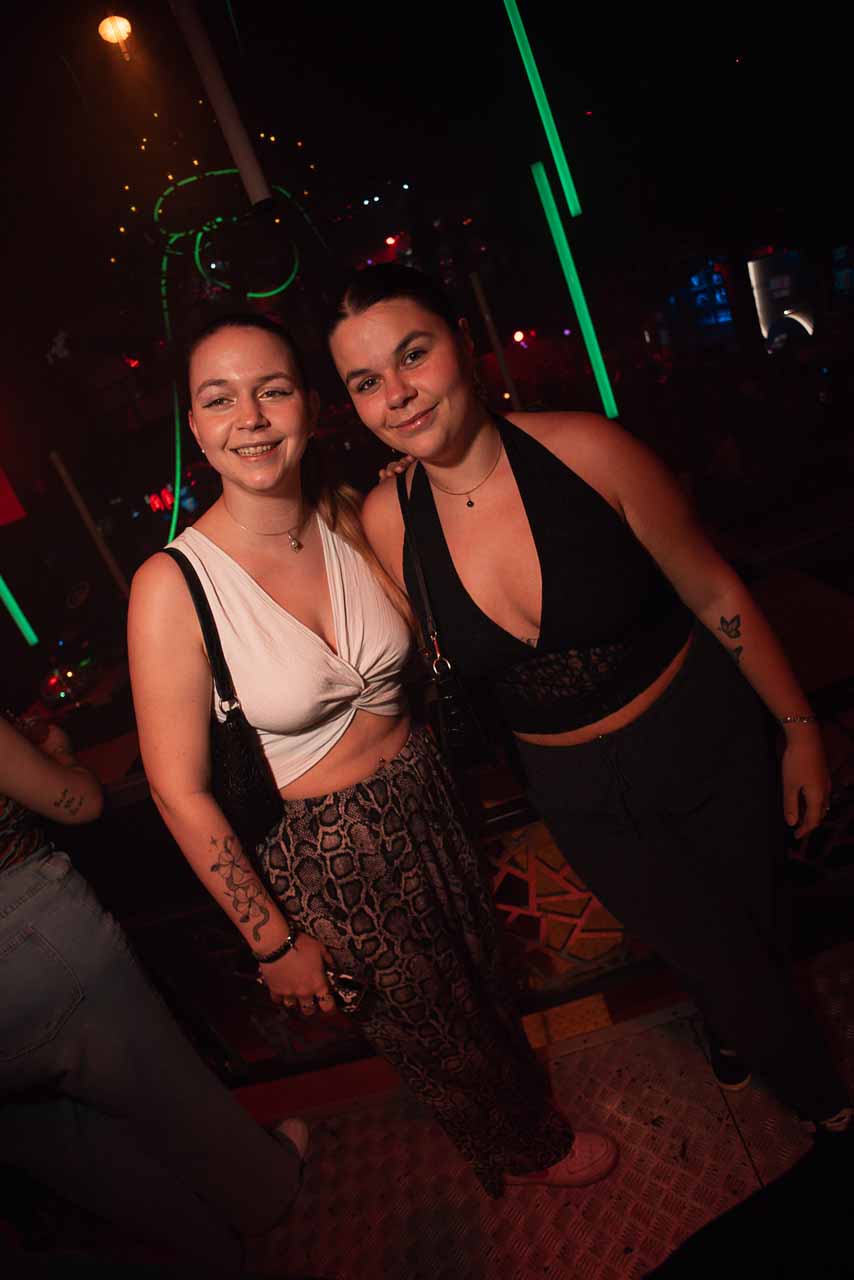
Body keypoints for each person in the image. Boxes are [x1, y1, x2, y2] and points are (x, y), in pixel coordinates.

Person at [327, 263, 852, 1143]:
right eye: (366, 381)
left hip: (703, 733)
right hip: (576, 790)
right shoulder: (385, 519)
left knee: (756, 922)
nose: (398, 392)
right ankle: (823, 1101)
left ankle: (732, 1026)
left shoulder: (589, 449)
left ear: (463, 344)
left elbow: (712, 588)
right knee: (709, 950)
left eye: (413, 354)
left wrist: (798, 728)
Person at [127, 312, 619, 1198]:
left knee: (487, 984)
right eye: (220, 400)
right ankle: (524, 1150)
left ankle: (523, 1115)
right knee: (434, 1034)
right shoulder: (173, 586)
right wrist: (272, 940)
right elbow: (176, 791)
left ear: (311, 407)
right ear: (194, 428)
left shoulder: (355, 514)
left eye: (273, 390)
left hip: (430, 796)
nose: (251, 418)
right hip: (326, 856)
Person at [0, 709, 306, 1273]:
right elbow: (77, 801)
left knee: (61, 1143)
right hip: (28, 937)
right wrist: (60, 754)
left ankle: (202, 1244)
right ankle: (266, 1192)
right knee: (164, 1087)